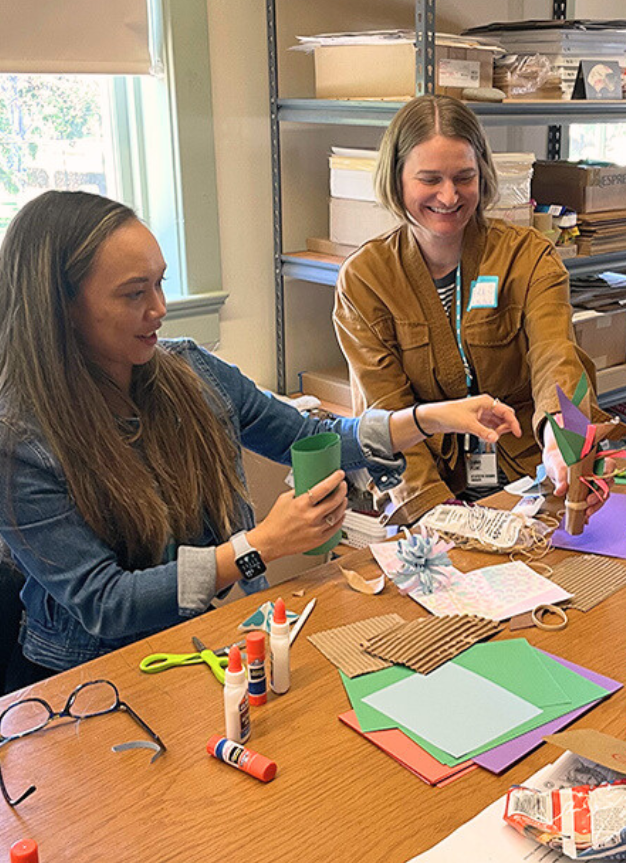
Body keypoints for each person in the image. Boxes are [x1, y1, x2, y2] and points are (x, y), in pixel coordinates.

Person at [0, 191, 520, 685]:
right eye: (135, 293)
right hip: (96, 681)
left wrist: (430, 418)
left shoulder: (190, 371)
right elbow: (107, 602)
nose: (159, 308)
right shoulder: (20, 445)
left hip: (211, 640)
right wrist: (261, 545)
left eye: (161, 284)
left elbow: (313, 435)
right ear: (61, 307)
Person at [333, 93, 617, 524]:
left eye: (463, 177)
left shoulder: (530, 257)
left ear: (482, 174)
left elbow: (555, 357)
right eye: (429, 179)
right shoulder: (365, 280)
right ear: (397, 180)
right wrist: (438, 514)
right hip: (427, 485)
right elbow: (386, 413)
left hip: (529, 475)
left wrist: (567, 441)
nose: (449, 196)